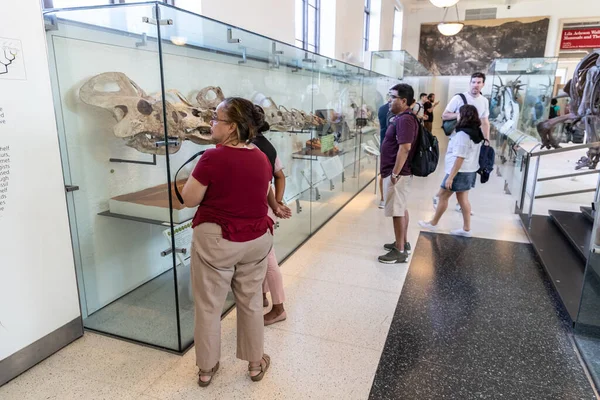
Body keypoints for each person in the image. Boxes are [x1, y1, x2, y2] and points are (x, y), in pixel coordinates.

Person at [181, 97, 290, 387]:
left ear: (232, 127)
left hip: (218, 241)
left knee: (208, 304)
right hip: (256, 239)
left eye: (216, 118)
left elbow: (190, 199)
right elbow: (264, 189)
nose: (211, 123)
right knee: (252, 300)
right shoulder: (260, 156)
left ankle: (206, 369)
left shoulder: (212, 158)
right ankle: (255, 364)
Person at [419, 105, 484, 237]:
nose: (457, 116)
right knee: (462, 199)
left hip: (459, 172)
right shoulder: (476, 132)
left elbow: (460, 157)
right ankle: (466, 229)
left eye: (459, 114)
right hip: (469, 170)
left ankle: (433, 223)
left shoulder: (462, 135)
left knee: (444, 197)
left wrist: (451, 177)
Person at [434, 72, 490, 213]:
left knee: (469, 169)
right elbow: (445, 115)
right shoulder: (459, 98)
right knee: (455, 167)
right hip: (460, 137)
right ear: (470, 83)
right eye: (473, 82)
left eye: (478, 82)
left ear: (483, 84)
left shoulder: (484, 101)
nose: (475, 85)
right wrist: (459, 115)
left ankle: (461, 203)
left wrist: (487, 139)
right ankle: (439, 196)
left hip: (474, 140)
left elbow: (485, 121)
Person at [252, 121, 289, 326]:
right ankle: (263, 295)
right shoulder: (266, 145)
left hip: (261, 210)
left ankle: (279, 307)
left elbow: (265, 183)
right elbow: (279, 176)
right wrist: (277, 203)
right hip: (267, 208)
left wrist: (275, 204)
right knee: (263, 257)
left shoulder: (253, 148)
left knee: (268, 258)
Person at [378, 84, 419, 264]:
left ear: (403, 101)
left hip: (399, 174)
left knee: (397, 212)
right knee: (401, 208)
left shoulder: (404, 120)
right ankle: (402, 242)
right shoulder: (403, 118)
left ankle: (400, 251)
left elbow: (405, 148)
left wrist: (395, 173)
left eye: (393, 97)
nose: (389, 100)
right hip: (398, 173)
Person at [377, 98, 397, 208]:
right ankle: (384, 198)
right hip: (388, 145)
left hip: (388, 145)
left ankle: (385, 198)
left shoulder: (385, 109)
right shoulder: (387, 110)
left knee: (387, 173)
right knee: (385, 173)